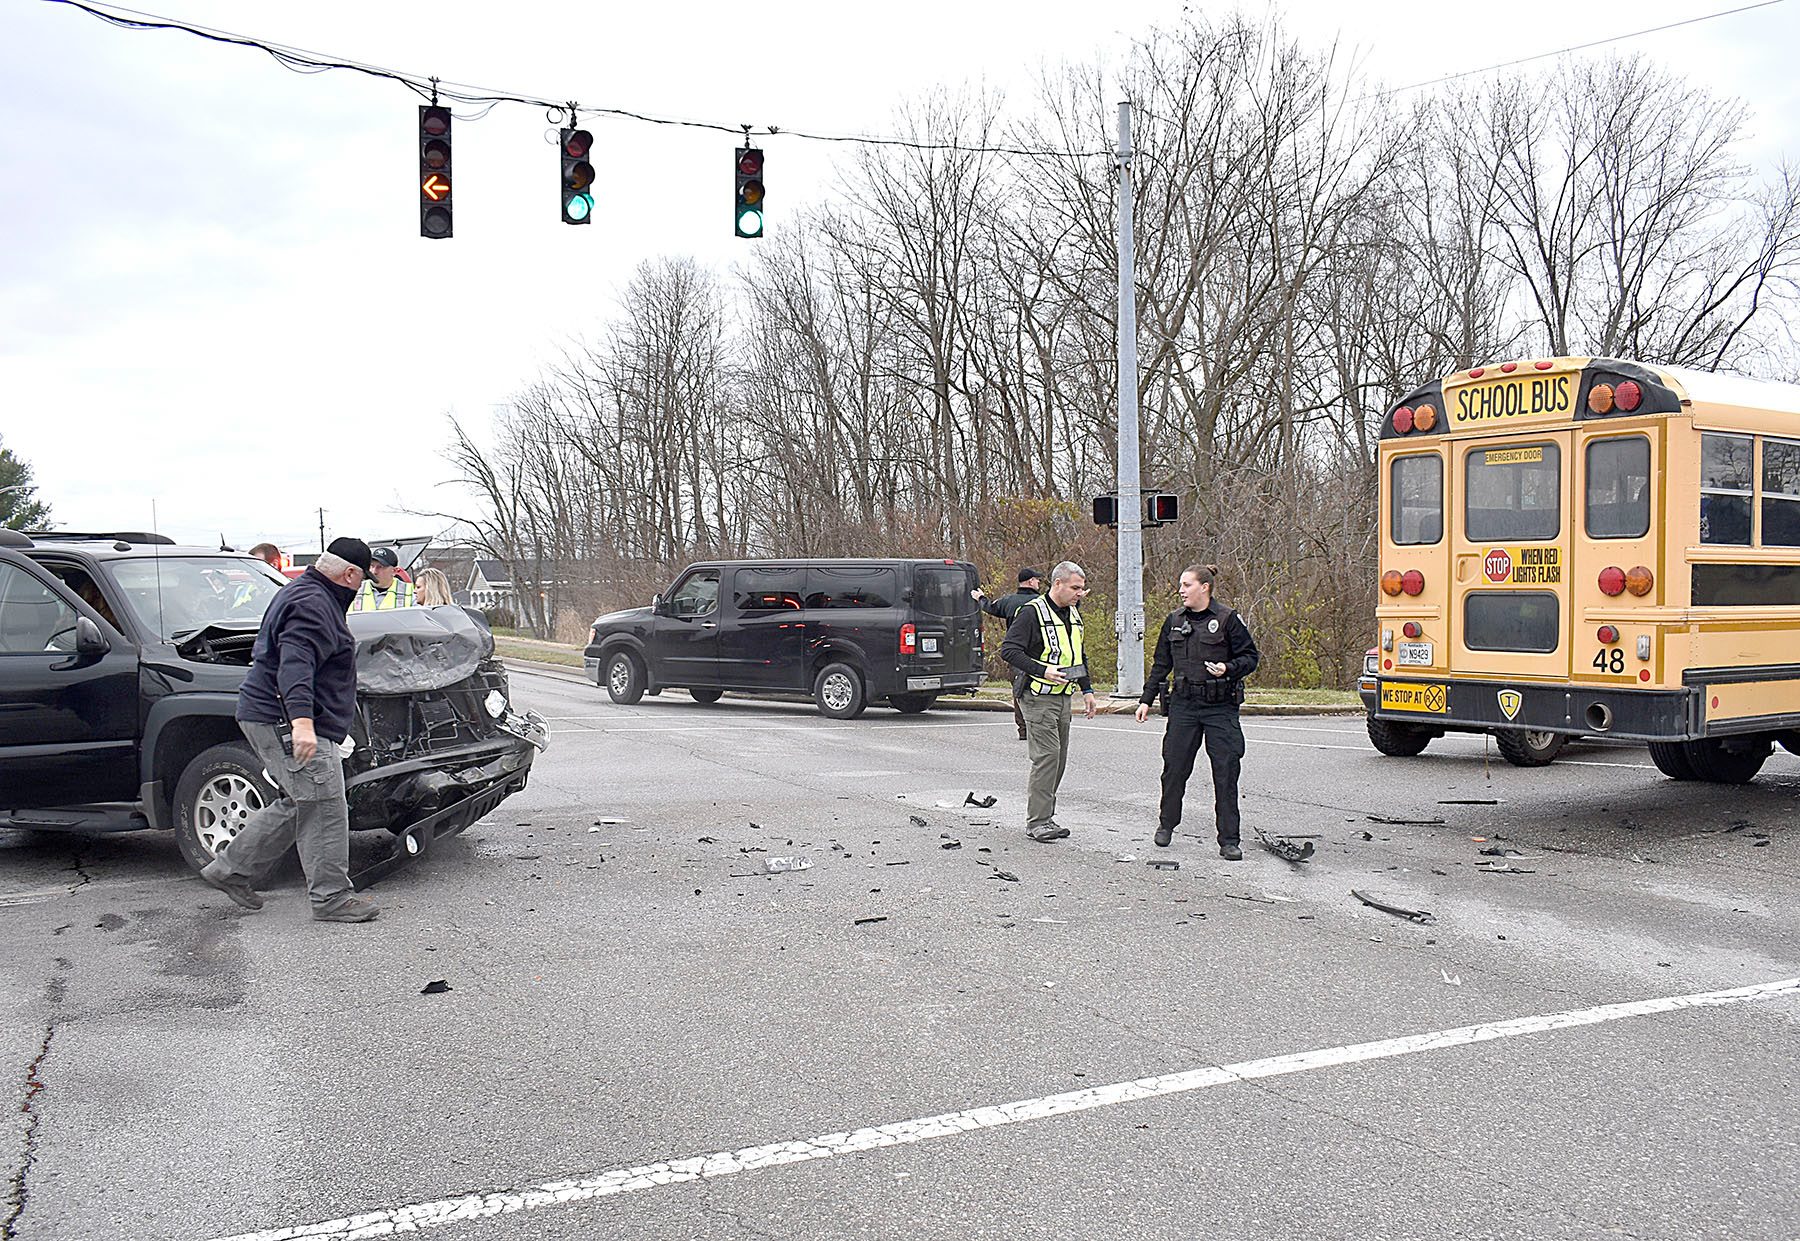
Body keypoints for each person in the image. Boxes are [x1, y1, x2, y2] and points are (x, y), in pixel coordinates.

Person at [197, 537, 380, 922]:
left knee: (303, 799)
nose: (361, 587)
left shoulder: (309, 593)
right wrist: (302, 723)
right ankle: (331, 898)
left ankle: (230, 869)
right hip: (285, 719)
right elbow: (294, 665)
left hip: (271, 715)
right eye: (362, 580)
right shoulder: (313, 605)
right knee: (325, 805)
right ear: (349, 574)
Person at [1134, 565, 1260, 861]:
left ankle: (1229, 839)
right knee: (1174, 769)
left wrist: (1228, 668)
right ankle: (1167, 824)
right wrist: (1146, 700)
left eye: (1187, 584)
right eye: (1181, 584)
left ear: (1205, 587)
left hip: (1220, 707)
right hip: (1185, 705)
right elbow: (1161, 664)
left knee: (1225, 772)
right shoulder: (1174, 621)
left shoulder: (1228, 619)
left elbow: (1250, 657)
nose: (1181, 590)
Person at [1000, 560, 1098, 842]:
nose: (1080, 593)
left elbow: (1078, 655)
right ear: (1058, 584)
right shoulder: (1032, 613)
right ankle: (1038, 821)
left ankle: (1046, 817)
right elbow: (1009, 650)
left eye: (1081, 588)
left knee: (1059, 759)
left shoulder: (1073, 613)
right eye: (1075, 587)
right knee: (1047, 758)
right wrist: (1042, 670)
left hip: (1063, 697)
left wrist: (1087, 689)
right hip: (1037, 697)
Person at [972, 567, 1044, 740]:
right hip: (1039, 654)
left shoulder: (1008, 601)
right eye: (1037, 580)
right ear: (1031, 582)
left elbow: (990, 608)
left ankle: (1023, 730)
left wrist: (980, 598)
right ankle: (1040, 728)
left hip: (1016, 654)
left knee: (1019, 692)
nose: (1039, 582)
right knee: (1041, 691)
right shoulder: (1042, 602)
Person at [349, 547, 417, 612]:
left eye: (380, 567)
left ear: (394, 571)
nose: (374, 571)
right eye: (372, 566)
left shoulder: (409, 593)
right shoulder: (355, 589)